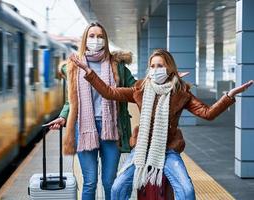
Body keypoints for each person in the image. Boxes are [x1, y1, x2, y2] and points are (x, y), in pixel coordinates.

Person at [70, 48, 254, 200]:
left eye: (160, 65)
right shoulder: (140, 89)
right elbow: (110, 92)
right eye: (152, 66)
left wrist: (229, 96)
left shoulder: (181, 93)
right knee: (118, 187)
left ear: (169, 68)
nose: (155, 69)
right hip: (141, 151)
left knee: (187, 191)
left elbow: (207, 113)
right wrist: (89, 72)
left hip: (168, 151)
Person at [45, 22, 137, 200]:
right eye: (92, 36)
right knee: (90, 181)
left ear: (106, 40)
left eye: (100, 36)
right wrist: (63, 118)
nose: (96, 40)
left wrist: (165, 80)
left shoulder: (117, 67)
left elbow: (136, 89)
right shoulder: (74, 67)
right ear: (85, 40)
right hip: (84, 128)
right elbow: (71, 101)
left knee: (110, 181)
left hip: (111, 128)